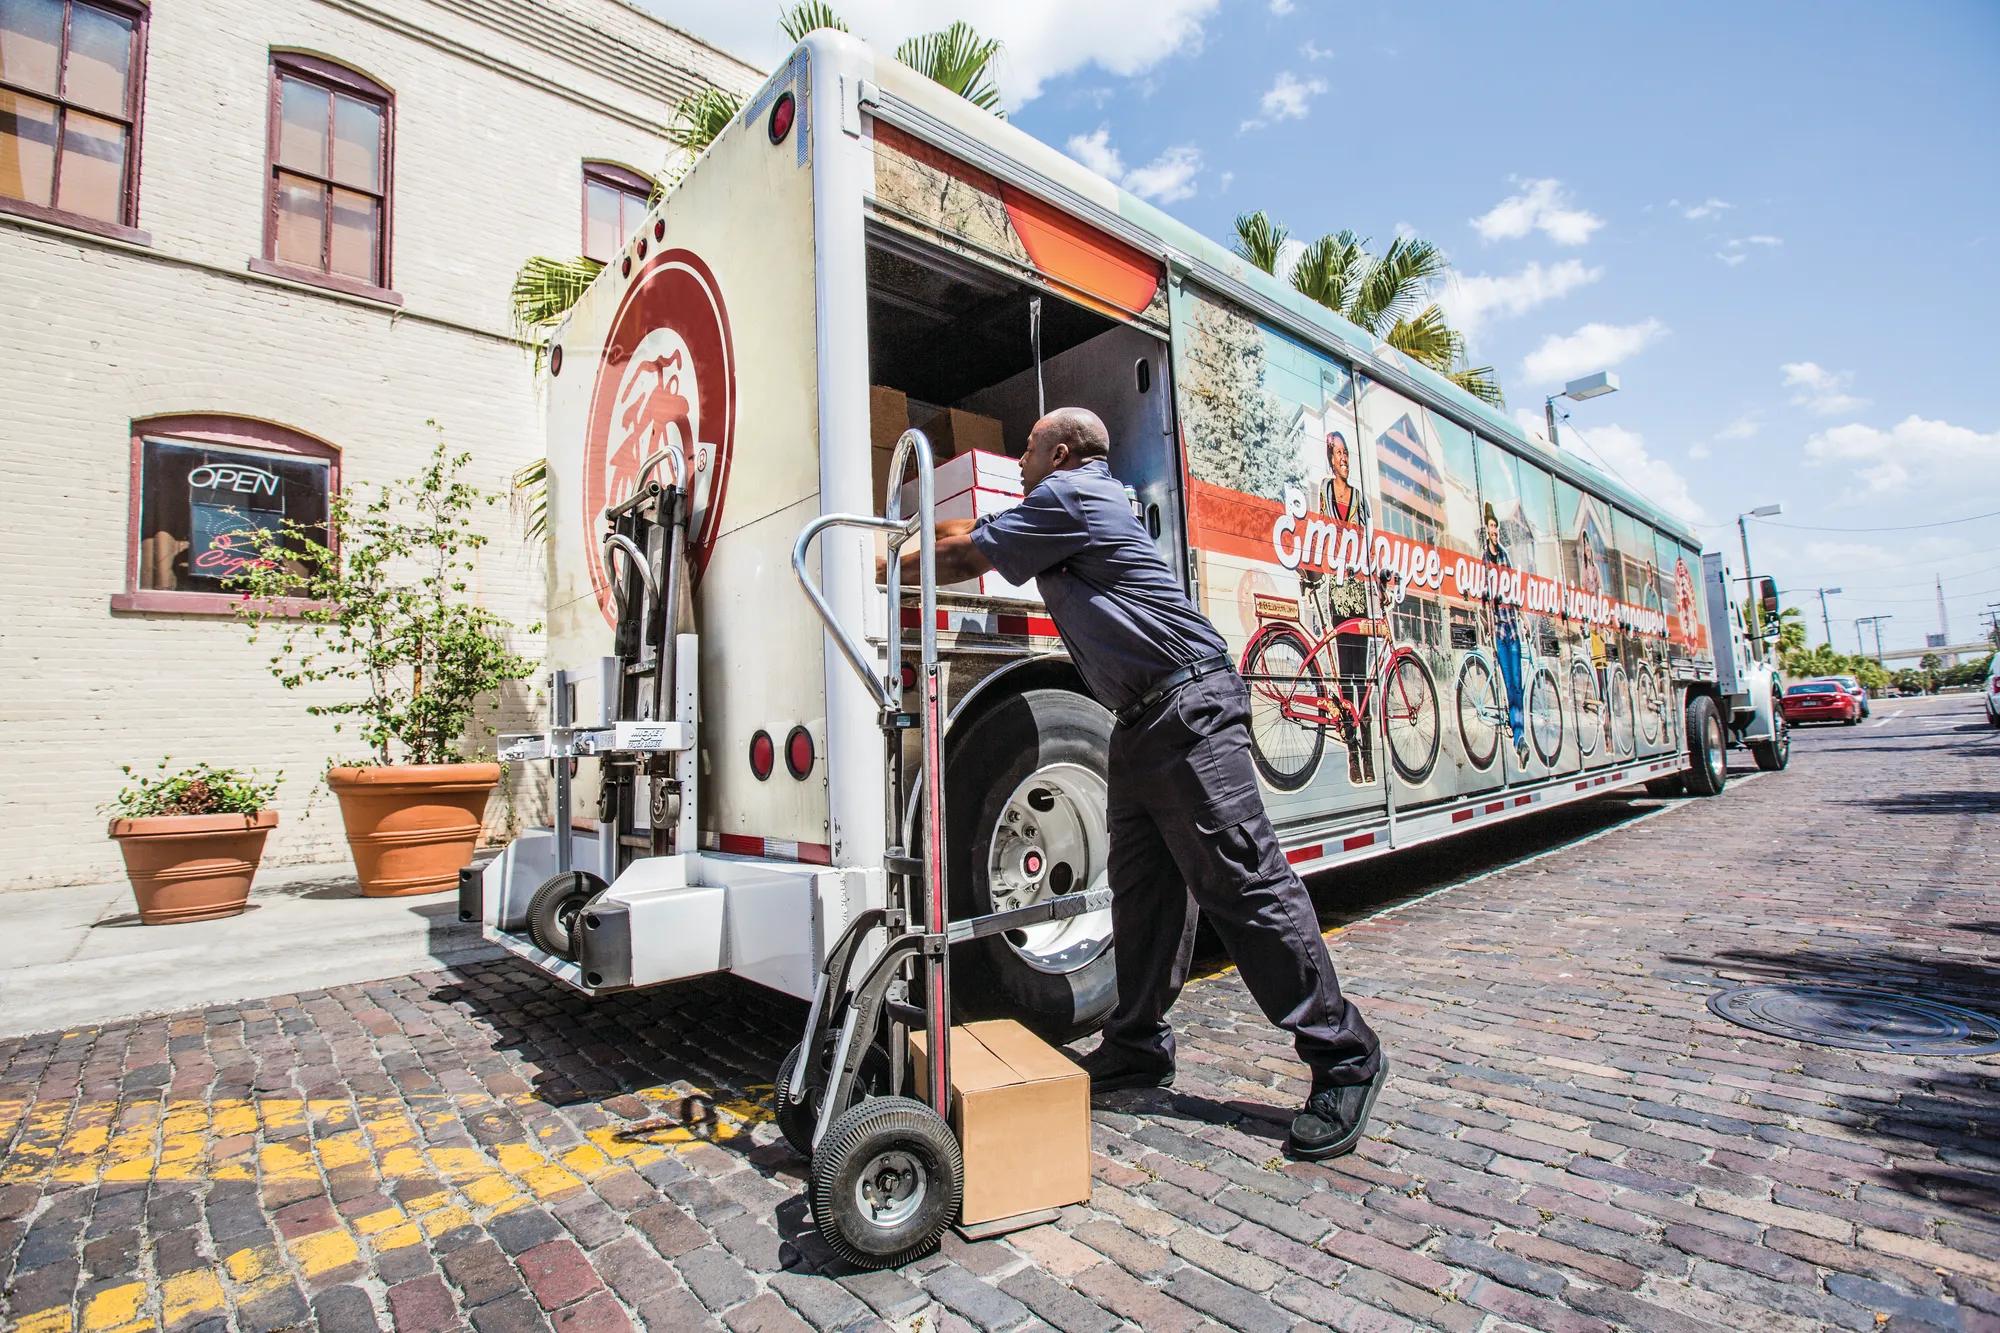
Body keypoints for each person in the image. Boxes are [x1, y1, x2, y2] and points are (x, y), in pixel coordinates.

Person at [892, 406, 1386, 1160]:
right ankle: (1137, 1043)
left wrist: (877, 560)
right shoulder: (1079, 500)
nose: (1019, 459)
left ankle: (1345, 1054)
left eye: (1026, 448)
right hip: (1140, 720)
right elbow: (971, 536)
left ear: (1058, 451)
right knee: (1144, 893)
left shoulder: (1068, 496)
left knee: (1245, 882)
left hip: (1187, 707)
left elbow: (964, 555)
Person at [1304, 430, 1376, 784]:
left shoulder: (1360, 498)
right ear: (1330, 459)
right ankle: (1352, 755)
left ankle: (1368, 754)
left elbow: (1369, 541)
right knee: (1345, 678)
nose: (1344, 458)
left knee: (1360, 676)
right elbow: (1320, 531)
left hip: (1358, 592)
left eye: (1347, 452)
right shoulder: (1325, 491)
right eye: (1338, 453)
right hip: (1337, 591)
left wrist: (1375, 577)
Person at [1481, 505, 1529, 766]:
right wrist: (1489, 627)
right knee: (1510, 683)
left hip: (1512, 628)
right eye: (1491, 526)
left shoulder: (1505, 557)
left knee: (1517, 686)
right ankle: (1518, 736)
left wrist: (1523, 620)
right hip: (1499, 630)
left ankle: (1519, 737)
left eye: (1496, 526)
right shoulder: (1485, 560)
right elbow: (1486, 598)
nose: (1495, 530)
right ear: (1486, 531)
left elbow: (1513, 588)